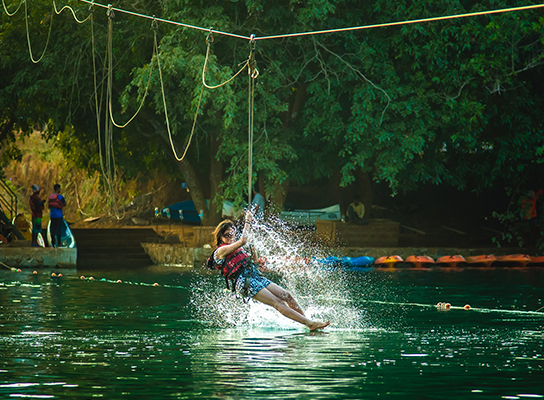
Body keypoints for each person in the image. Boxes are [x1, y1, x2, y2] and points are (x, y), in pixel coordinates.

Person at [208, 210, 330, 331]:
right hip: (244, 281)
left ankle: (307, 322)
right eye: (226, 235)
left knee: (287, 295)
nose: (230, 237)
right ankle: (310, 324)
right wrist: (248, 221)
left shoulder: (238, 248)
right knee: (278, 303)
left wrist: (253, 246)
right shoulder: (220, 251)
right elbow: (243, 240)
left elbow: (255, 262)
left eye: (232, 234)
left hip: (254, 276)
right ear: (221, 237)